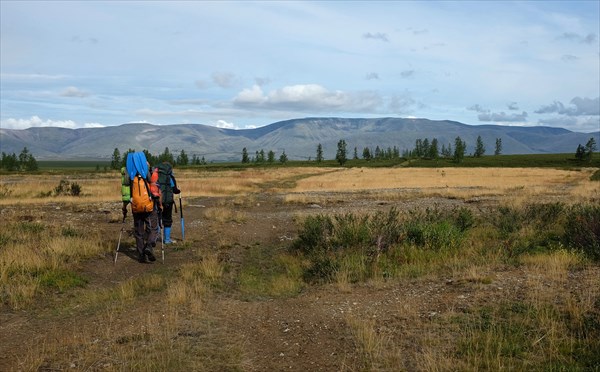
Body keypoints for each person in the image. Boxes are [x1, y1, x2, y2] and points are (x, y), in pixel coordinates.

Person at [126, 152, 158, 263]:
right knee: (153, 227)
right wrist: (148, 168)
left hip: (135, 206)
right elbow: (153, 182)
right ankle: (149, 246)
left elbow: (126, 187)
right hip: (148, 205)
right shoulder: (145, 171)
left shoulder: (129, 173)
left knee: (138, 231)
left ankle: (141, 255)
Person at [156, 161, 180, 244]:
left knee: (158, 218)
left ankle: (156, 237)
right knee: (167, 219)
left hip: (158, 201)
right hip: (168, 201)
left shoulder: (156, 175)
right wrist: (178, 190)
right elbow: (175, 190)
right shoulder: (170, 176)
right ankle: (167, 239)